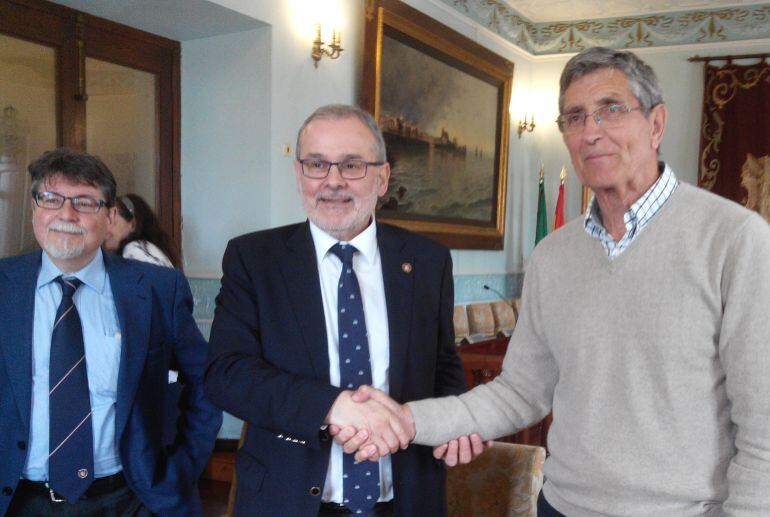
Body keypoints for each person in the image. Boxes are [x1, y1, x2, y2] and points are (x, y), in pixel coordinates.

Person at [342, 47, 770, 515]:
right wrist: (406, 418)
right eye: (575, 117)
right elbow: (521, 391)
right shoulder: (551, 256)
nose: (592, 132)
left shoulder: (736, 239)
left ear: (656, 124)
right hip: (561, 506)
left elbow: (763, 422)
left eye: (611, 109)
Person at [204, 104, 466, 516]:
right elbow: (226, 374)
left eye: (352, 165)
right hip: (286, 499)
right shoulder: (254, 259)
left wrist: (454, 421)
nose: (333, 182)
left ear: (382, 178)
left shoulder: (427, 260)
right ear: (298, 174)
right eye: (317, 165)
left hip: (405, 500)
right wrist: (331, 406)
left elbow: (443, 366)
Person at [0, 148, 222, 516]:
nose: (66, 215)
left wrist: (178, 472)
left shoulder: (156, 289)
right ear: (35, 209)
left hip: (127, 500)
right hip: (19, 501)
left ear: (108, 216)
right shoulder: (4, 287)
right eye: (52, 199)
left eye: (85, 203)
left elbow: (208, 383)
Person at [104, 193, 181, 268]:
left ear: (133, 225)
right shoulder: (147, 249)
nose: (106, 227)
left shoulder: (135, 250)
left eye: (112, 220)